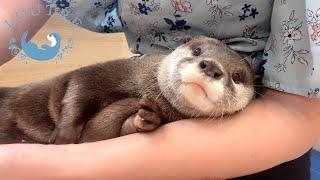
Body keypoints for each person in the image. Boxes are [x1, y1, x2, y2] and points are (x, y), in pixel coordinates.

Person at [0, 0, 319, 179]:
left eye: (231, 78)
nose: (209, 70)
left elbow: (294, 113)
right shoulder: (151, 75)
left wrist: (62, 165)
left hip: (255, 148)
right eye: (200, 59)